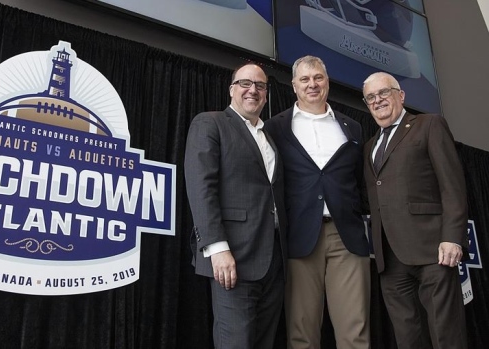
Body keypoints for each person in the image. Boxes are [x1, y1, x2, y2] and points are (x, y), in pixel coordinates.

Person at [264, 55, 370, 349]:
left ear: (327, 82)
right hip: (299, 237)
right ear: (294, 86)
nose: (312, 84)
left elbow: (361, 182)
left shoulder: (353, 127)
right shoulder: (275, 127)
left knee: (355, 332)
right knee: (302, 333)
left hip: (347, 236)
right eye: (305, 79)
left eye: (318, 77)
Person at [184, 62, 287, 349]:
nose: (253, 90)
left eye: (260, 85)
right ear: (232, 89)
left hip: (272, 261)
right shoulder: (210, 123)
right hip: (233, 259)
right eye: (245, 83)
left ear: (266, 94)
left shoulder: (270, 138)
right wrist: (217, 248)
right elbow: (201, 187)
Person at [362, 72, 469, 349]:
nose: (378, 101)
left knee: (446, 334)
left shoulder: (428, 125)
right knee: (407, 338)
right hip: (390, 257)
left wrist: (453, 236)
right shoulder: (369, 147)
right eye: (371, 97)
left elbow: (452, 186)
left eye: (383, 93)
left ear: (401, 95)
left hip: (433, 249)